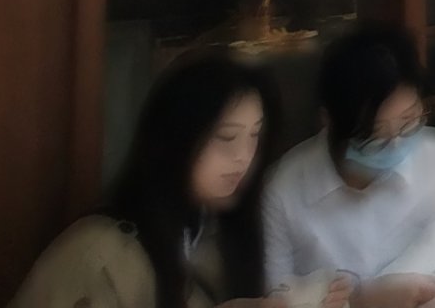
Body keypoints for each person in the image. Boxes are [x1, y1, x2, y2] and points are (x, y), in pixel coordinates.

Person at [262, 25, 435, 308]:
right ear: (329, 122)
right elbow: (277, 301)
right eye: (374, 136)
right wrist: (363, 299)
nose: (395, 144)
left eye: (409, 123)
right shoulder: (284, 191)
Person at [14, 56, 285, 308]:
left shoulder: (219, 237)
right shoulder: (98, 254)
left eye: (255, 135)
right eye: (226, 137)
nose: (243, 156)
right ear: (174, 139)